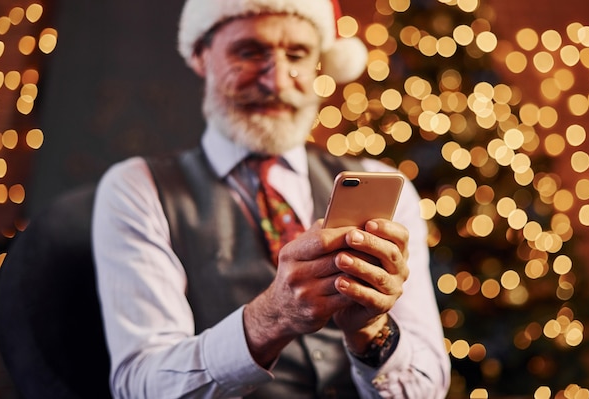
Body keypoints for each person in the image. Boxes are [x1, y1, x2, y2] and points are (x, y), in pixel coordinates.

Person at [92, 0, 451, 397]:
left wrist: (370, 332)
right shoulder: (139, 188)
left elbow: (426, 391)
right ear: (201, 55)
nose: (278, 81)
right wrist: (273, 317)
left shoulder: (384, 183)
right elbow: (140, 386)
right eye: (249, 52)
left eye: (298, 55)